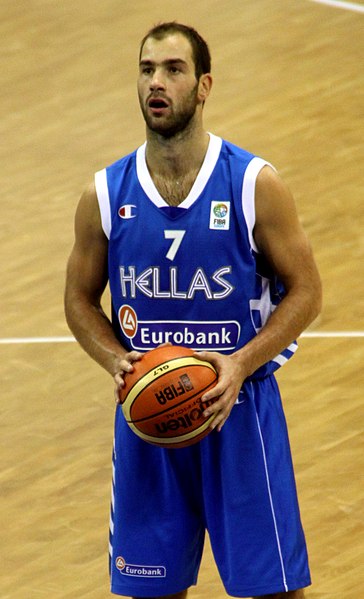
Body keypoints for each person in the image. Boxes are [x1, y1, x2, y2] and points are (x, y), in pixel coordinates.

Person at [64, 22, 322, 599]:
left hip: (240, 413)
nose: (157, 82)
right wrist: (119, 363)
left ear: (204, 86)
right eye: (147, 69)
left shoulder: (254, 184)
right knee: (151, 593)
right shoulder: (105, 194)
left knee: (274, 594)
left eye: (173, 70)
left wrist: (241, 363)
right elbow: (78, 299)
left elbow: (306, 291)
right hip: (149, 423)